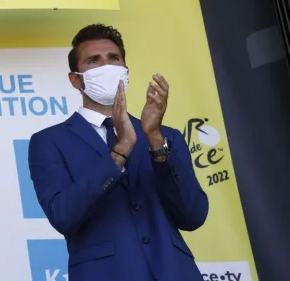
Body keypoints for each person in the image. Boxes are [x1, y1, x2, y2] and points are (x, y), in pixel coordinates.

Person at [27, 24, 209, 281]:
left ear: (125, 71)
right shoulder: (49, 141)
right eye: (94, 61)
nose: (106, 66)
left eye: (114, 59)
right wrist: (119, 151)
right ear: (76, 79)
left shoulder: (164, 135)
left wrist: (156, 141)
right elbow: (63, 215)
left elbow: (193, 215)